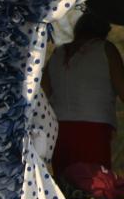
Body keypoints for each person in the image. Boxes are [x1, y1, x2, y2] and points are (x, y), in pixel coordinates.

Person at [42, 11, 124, 176]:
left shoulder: (58, 53)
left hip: (59, 130)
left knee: (65, 184)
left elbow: (44, 91)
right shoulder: (106, 49)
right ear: (103, 31)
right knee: (96, 187)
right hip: (94, 129)